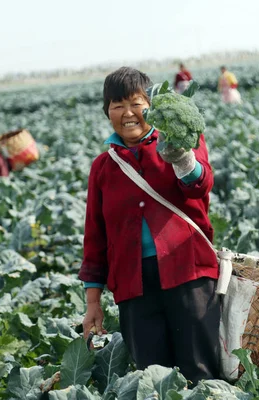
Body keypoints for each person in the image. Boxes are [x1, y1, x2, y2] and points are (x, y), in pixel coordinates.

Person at [78, 67, 220, 384]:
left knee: (201, 373)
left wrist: (182, 156)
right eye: (117, 105)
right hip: (133, 287)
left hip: (189, 275)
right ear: (107, 112)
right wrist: (92, 303)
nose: (127, 113)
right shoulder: (103, 167)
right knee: (152, 378)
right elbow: (95, 239)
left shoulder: (180, 140)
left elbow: (200, 186)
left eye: (135, 103)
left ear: (150, 106)